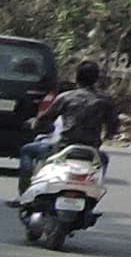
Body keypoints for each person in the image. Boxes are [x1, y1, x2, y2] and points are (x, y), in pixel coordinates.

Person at [14, 61, 114, 189]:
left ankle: (24, 192)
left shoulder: (66, 97)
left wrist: (34, 124)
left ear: (77, 77)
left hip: (63, 147)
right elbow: (113, 126)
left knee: (27, 150)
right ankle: (95, 193)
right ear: (96, 79)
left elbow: (45, 119)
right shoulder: (105, 100)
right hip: (91, 150)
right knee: (103, 160)